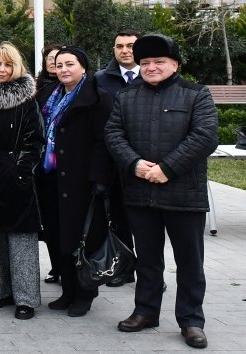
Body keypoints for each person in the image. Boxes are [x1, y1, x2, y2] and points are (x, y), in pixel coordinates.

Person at [105, 34, 218, 350]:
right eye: (145, 63)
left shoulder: (197, 95)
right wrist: (136, 164)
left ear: (175, 65)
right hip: (140, 192)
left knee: (190, 262)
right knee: (148, 259)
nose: (151, 67)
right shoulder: (127, 97)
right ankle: (145, 312)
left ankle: (192, 320)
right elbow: (113, 135)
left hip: (184, 193)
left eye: (158, 62)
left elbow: (205, 136)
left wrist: (166, 168)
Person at [35, 46, 114, 318]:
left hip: (82, 181)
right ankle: (67, 290)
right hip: (50, 177)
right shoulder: (49, 94)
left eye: (70, 64)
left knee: (84, 239)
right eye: (59, 65)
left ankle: (84, 294)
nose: (64, 69)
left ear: (83, 67)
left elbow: (104, 142)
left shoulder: (98, 98)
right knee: (58, 237)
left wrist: (99, 178)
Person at [0, 43, 42, 320]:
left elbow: (35, 140)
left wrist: (21, 171)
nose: (2, 70)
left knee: (21, 238)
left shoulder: (27, 100)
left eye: (8, 65)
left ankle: (25, 298)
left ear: (17, 68)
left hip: (17, 178)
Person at [94, 29, 143, 287]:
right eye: (119, 46)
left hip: (144, 161)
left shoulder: (152, 75)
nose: (125, 50)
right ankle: (123, 268)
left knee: (145, 222)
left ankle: (148, 272)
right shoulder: (101, 79)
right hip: (112, 161)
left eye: (131, 46)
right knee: (118, 216)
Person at [34, 42, 65, 284]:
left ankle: (73, 269)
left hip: (67, 166)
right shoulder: (39, 88)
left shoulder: (79, 89)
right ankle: (57, 266)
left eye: (62, 59)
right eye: (51, 59)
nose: (55, 63)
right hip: (44, 165)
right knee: (49, 223)